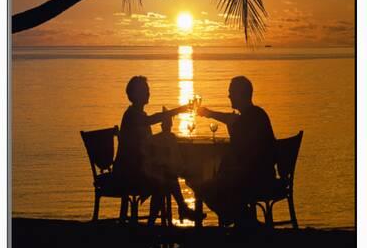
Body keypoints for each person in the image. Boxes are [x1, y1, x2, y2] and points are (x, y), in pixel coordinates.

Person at [113, 75, 205, 224]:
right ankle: (174, 212)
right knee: (164, 180)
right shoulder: (132, 116)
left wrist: (165, 131)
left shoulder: (138, 115)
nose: (148, 93)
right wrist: (178, 111)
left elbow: (147, 142)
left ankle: (167, 215)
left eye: (148, 90)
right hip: (128, 173)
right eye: (145, 90)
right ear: (135, 94)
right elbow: (150, 122)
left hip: (137, 168)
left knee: (166, 175)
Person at [194, 76, 276, 227]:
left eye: (231, 92)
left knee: (203, 188)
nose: (229, 96)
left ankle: (241, 220)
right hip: (264, 174)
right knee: (219, 179)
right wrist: (208, 113)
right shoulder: (257, 114)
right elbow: (231, 119)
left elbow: (242, 147)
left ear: (241, 94)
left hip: (256, 179)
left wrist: (209, 114)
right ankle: (245, 221)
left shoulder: (250, 117)